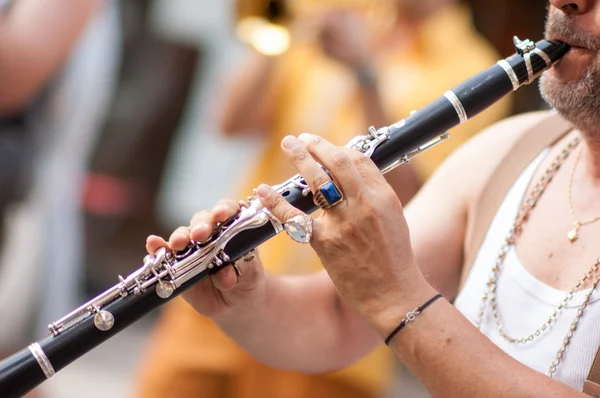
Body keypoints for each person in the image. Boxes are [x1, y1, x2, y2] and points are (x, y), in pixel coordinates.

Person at [146, 0, 600, 396]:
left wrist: (394, 296)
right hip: (264, 300)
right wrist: (245, 297)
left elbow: (398, 216)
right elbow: (336, 315)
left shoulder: (465, 59)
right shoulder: (509, 151)